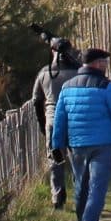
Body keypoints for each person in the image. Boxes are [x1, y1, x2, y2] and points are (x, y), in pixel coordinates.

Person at [51, 47, 111, 221]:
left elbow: (59, 118)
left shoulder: (67, 87)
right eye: (104, 61)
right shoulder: (106, 86)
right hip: (101, 144)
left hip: (77, 145)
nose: (105, 65)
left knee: (81, 186)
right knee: (97, 187)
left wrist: (57, 144)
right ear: (96, 64)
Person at [31, 36, 77, 209]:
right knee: (76, 159)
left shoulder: (44, 73)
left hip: (52, 119)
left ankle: (57, 197)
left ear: (53, 52)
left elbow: (36, 100)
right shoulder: (78, 71)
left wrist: (42, 121)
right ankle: (81, 192)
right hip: (73, 119)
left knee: (55, 159)